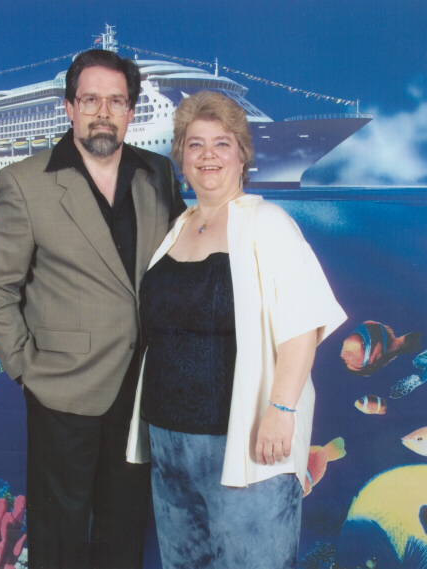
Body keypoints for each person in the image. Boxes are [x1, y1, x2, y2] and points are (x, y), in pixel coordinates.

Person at [0, 49, 185, 569]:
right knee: (59, 538)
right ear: (69, 107)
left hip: (141, 391)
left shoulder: (158, 173)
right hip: (61, 387)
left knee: (125, 532)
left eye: (116, 101)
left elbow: (180, 264)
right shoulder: (25, 182)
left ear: (131, 111)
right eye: (90, 100)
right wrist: (27, 369)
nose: (103, 112)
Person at [127, 91, 347, 568]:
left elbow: (304, 323)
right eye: (195, 144)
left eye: (221, 143)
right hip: (169, 444)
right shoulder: (177, 228)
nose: (208, 155)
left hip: (245, 443)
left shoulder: (268, 223)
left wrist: (281, 410)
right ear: (181, 157)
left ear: (242, 155)